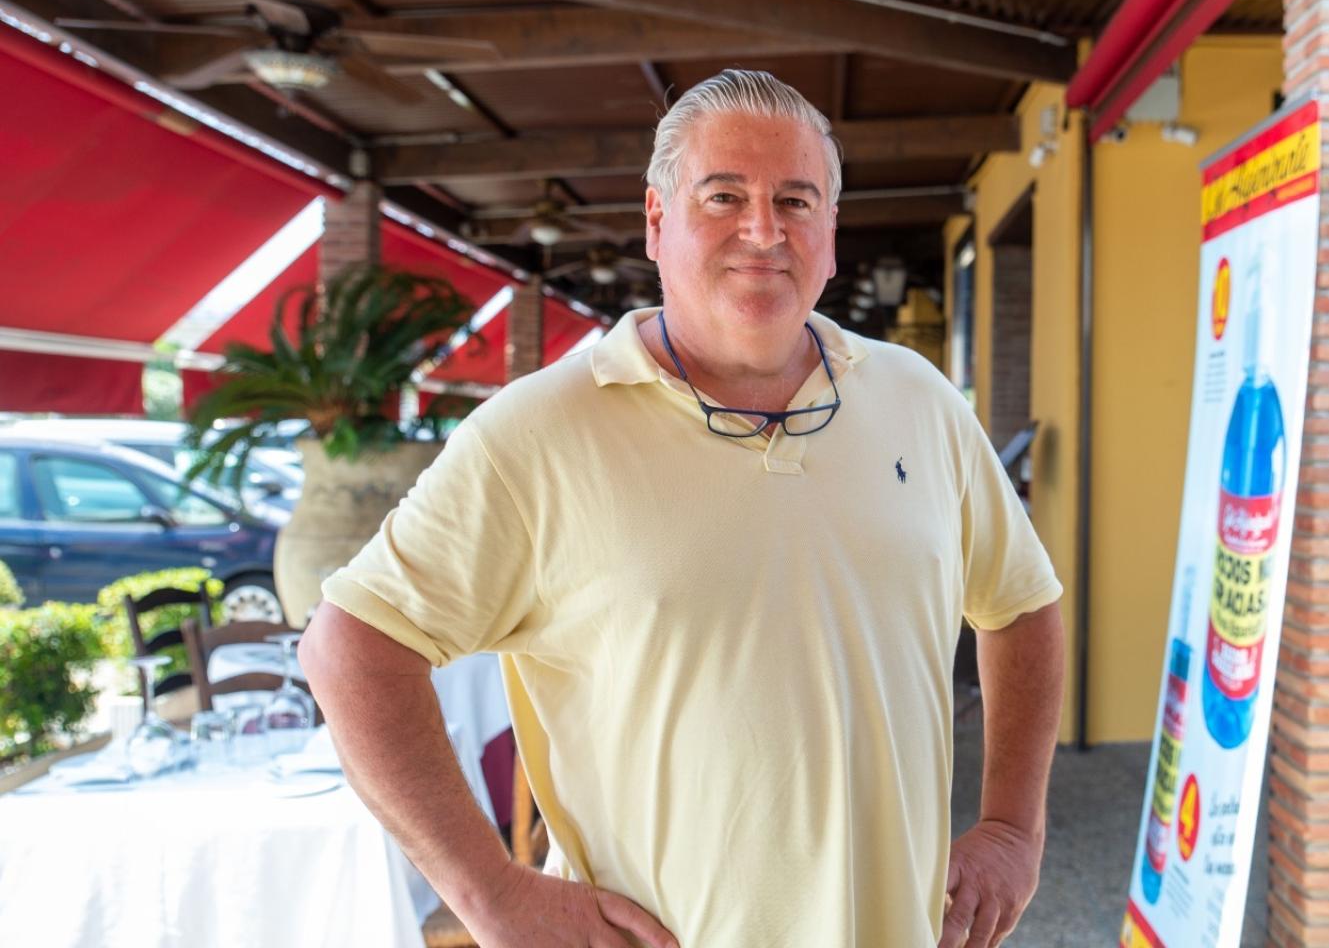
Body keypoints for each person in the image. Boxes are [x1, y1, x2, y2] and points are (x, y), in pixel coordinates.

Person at [298, 68, 1065, 948]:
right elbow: (350, 645)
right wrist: (492, 893)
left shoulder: (919, 401)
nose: (764, 230)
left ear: (832, 236)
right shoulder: (540, 430)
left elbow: (1022, 601)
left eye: (796, 199)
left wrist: (1013, 828)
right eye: (724, 195)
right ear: (658, 221)